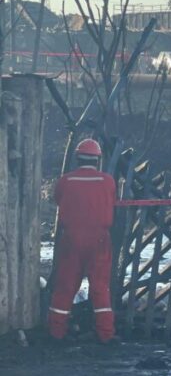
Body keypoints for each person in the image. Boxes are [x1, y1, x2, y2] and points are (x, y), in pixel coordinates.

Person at [48, 138, 118, 343]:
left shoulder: (66, 181)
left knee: (65, 286)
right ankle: (105, 334)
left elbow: (58, 199)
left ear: (77, 158)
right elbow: (112, 201)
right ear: (98, 159)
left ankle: (56, 332)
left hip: (71, 238)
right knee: (100, 287)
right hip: (99, 238)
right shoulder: (107, 181)